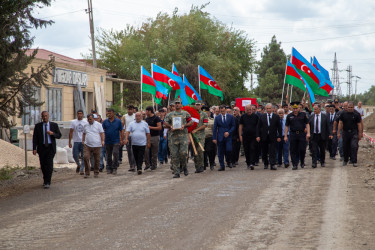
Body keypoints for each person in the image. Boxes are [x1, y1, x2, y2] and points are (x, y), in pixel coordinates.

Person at [32, 111, 62, 189]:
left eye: (46, 116)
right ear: (41, 117)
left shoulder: (54, 125)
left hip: (50, 148)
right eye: (43, 116)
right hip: (41, 148)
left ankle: (47, 181)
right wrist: (34, 148)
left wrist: (53, 134)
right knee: (43, 165)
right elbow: (35, 138)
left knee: (49, 165)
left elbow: (59, 135)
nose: (45, 117)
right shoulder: (38, 126)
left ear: (48, 116)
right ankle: (45, 179)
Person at [164, 98, 193, 178]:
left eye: (178, 103)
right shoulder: (169, 115)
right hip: (173, 137)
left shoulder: (185, 113)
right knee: (174, 155)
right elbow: (164, 123)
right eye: (175, 103)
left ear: (181, 104)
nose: (177, 104)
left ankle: (185, 167)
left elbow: (191, 122)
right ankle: (177, 172)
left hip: (183, 137)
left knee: (183, 153)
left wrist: (184, 125)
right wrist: (170, 126)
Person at [284, 102, 310, 170]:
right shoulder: (289, 116)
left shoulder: (303, 114)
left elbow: (307, 124)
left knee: (302, 149)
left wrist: (308, 133)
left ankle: (301, 161)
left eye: (296, 108)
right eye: (294, 108)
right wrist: (285, 136)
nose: (295, 110)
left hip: (301, 134)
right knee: (293, 149)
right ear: (292, 108)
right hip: (293, 134)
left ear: (299, 108)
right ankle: (294, 164)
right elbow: (287, 126)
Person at [256, 103, 282, 170]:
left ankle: (272, 164)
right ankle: (265, 163)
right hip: (264, 136)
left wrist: (279, 136)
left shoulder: (276, 117)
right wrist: (258, 136)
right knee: (264, 151)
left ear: (272, 109)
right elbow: (258, 127)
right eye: (267, 108)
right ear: (265, 109)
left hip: (273, 136)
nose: (269, 110)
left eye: (270, 108)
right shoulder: (262, 116)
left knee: (272, 151)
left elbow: (279, 127)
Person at [337, 102, 362, 167]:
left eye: (351, 107)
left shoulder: (356, 114)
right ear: (347, 107)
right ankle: (345, 160)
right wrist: (338, 132)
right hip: (345, 132)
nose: (350, 109)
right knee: (345, 146)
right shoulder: (343, 114)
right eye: (349, 107)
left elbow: (359, 124)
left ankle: (354, 161)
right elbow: (340, 123)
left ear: (353, 107)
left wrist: (360, 133)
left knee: (354, 146)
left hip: (354, 132)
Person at [213, 105, 236, 171]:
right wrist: (214, 138)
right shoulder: (217, 118)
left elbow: (233, 126)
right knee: (220, 152)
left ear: (225, 110)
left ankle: (228, 161)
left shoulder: (230, 117)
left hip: (228, 136)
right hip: (220, 137)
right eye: (221, 111)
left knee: (229, 150)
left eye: (223, 111)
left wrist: (228, 132)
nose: (222, 112)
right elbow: (215, 128)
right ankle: (222, 166)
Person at [308, 104, 332, 168]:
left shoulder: (325, 116)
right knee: (314, 150)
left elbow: (328, 126)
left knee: (322, 150)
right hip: (314, 135)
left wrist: (330, 134)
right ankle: (314, 162)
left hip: (322, 135)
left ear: (319, 109)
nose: (314, 110)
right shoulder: (311, 116)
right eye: (314, 109)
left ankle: (322, 162)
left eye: (315, 109)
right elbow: (308, 126)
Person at [102, 108, 124, 175]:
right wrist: (102, 140)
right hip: (107, 141)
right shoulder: (105, 122)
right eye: (108, 113)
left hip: (116, 140)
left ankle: (114, 168)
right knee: (108, 155)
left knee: (115, 153)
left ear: (113, 113)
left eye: (110, 113)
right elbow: (102, 131)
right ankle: (109, 168)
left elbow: (121, 131)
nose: (109, 114)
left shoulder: (118, 121)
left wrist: (121, 139)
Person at [239, 104, 259, 170]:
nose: (249, 111)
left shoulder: (255, 116)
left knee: (252, 148)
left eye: (250, 110)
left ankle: (252, 163)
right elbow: (240, 126)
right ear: (245, 110)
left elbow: (258, 126)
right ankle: (248, 163)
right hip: (245, 136)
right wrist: (240, 135)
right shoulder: (243, 117)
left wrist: (258, 135)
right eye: (247, 110)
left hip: (253, 136)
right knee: (246, 150)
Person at [69, 110, 87, 175]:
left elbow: (86, 132)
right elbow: (71, 132)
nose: (79, 115)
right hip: (76, 141)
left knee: (83, 156)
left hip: (83, 141)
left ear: (82, 114)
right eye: (78, 114)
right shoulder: (73, 122)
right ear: (77, 114)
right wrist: (69, 142)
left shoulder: (85, 122)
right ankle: (78, 164)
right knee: (75, 155)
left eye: (81, 114)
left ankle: (82, 169)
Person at [192, 101, 208, 173]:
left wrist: (197, 130)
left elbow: (205, 125)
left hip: (200, 135)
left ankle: (201, 165)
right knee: (194, 151)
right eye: (196, 105)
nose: (197, 106)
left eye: (199, 105)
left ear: (201, 106)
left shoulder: (204, 114)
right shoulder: (192, 114)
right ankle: (197, 167)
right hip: (193, 135)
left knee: (200, 150)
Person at [144, 106, 162, 171]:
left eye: (146, 111)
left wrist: (150, 127)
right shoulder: (146, 119)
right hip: (148, 137)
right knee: (146, 151)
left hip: (155, 136)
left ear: (150, 111)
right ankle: (147, 164)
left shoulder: (157, 118)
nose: (146, 112)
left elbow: (159, 127)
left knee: (154, 152)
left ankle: (154, 165)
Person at [122, 105, 136, 172]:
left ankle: (134, 164)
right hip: (128, 136)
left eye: (131, 109)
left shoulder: (135, 116)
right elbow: (123, 126)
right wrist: (123, 137)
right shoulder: (124, 116)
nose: (129, 111)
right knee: (129, 151)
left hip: (135, 136)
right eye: (128, 109)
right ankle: (131, 165)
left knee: (133, 151)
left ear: (133, 110)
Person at [203, 106, 216, 170]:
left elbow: (215, 129)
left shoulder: (212, 120)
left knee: (210, 151)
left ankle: (211, 163)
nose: (205, 114)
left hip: (210, 137)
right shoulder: (200, 120)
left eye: (207, 112)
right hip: (202, 138)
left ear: (209, 113)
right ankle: (204, 164)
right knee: (203, 152)